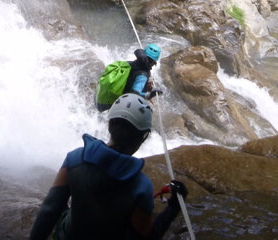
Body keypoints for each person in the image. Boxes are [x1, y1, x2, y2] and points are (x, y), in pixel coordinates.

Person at [29, 93, 189, 240]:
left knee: (62, 206)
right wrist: (173, 208)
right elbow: (146, 237)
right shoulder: (141, 187)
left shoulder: (75, 158)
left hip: (69, 235)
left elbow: (50, 209)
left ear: (109, 125)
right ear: (143, 137)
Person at [96, 43, 162, 112]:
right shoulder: (143, 75)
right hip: (113, 106)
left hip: (101, 99)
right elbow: (134, 94)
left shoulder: (128, 63)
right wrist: (149, 95)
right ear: (154, 62)